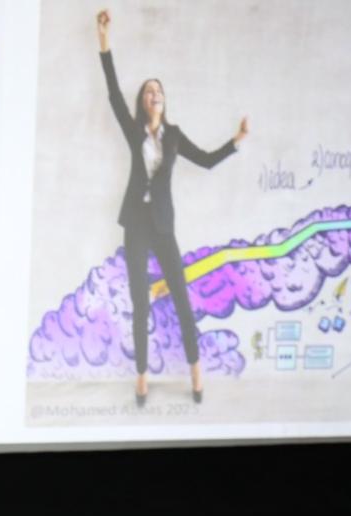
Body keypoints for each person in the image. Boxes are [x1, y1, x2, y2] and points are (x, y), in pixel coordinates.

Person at [96, 9, 248, 405]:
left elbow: (207, 161)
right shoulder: (133, 130)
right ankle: (141, 375)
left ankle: (195, 370)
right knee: (140, 301)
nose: (154, 93)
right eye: (149, 90)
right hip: (135, 222)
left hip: (163, 225)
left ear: (164, 99)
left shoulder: (175, 136)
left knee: (181, 295)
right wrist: (104, 41)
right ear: (143, 101)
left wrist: (236, 141)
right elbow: (113, 94)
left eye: (158, 89)